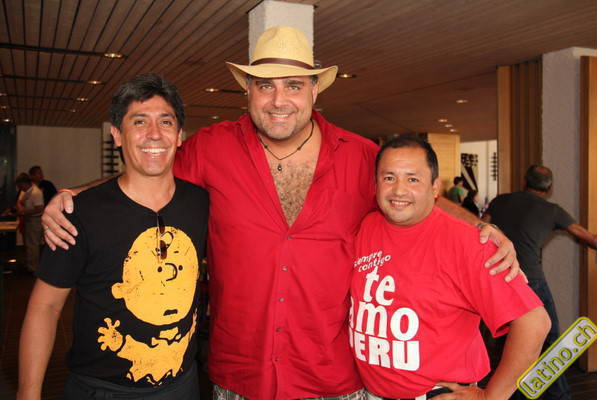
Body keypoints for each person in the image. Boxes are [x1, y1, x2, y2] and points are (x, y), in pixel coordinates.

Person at [41, 27, 520, 399]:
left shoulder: (359, 157)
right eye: (265, 85)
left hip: (332, 378)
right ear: (247, 91)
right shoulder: (212, 148)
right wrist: (74, 194)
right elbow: (147, 170)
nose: (279, 100)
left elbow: (411, 195)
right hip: (238, 377)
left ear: (314, 90)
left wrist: (481, 225)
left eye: (293, 85)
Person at [17, 74, 209, 400]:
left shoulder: (200, 203)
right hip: (102, 390)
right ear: (117, 135)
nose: (154, 134)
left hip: (183, 385)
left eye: (166, 122)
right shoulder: (80, 213)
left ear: (179, 136)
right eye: (139, 121)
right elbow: (45, 308)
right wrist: (28, 392)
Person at [350, 136, 550, 400]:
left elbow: (534, 323)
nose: (399, 190)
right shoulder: (366, 226)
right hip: (370, 393)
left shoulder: (470, 243)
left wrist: (491, 397)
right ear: (375, 184)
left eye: (413, 179)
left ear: (435, 187)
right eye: (389, 177)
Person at [483, 165, 597, 400]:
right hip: (531, 281)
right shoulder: (552, 211)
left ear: (524, 181)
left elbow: (479, 229)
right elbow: (591, 239)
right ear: (549, 188)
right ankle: (560, 396)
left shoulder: (500, 201)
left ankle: (510, 394)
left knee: (511, 345)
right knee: (550, 343)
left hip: (497, 279)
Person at [15, 173, 44, 272]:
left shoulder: (36, 192)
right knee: (29, 245)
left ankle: (34, 268)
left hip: (35, 221)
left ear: (24, 183)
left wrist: (23, 211)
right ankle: (30, 265)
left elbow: (39, 209)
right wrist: (21, 208)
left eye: (20, 186)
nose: (19, 188)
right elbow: (20, 202)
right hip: (28, 219)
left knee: (33, 246)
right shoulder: (26, 191)